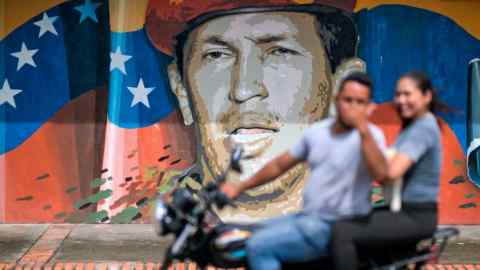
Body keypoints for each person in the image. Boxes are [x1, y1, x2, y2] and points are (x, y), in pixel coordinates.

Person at [145, 0, 365, 222]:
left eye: (279, 52)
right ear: (182, 91)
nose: (244, 89)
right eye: (216, 55)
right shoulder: (138, 224)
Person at [221, 72, 387, 270]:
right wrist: (239, 187)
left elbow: (381, 174)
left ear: (368, 107)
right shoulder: (318, 132)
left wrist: (364, 131)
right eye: (348, 100)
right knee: (242, 234)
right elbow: (279, 164)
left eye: (360, 102)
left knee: (259, 246)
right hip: (308, 218)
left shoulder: (372, 137)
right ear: (337, 100)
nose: (352, 107)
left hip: (338, 227)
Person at [330, 71, 444, 270]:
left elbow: (391, 172)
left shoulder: (423, 127)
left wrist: (362, 128)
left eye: (407, 94)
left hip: (415, 216)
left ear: (426, 96)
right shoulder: (413, 127)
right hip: (404, 211)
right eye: (398, 94)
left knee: (342, 232)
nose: (401, 100)